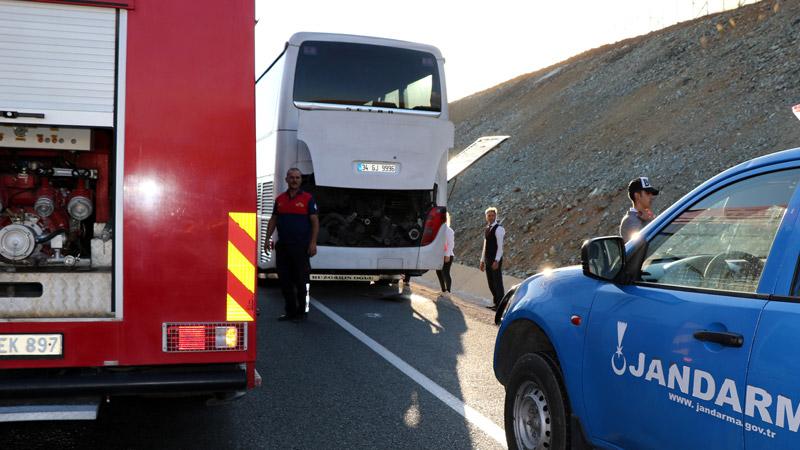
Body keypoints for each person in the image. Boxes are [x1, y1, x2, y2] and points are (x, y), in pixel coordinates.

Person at [265, 168, 319, 322]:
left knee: (303, 282)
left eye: (298, 177)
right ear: (286, 179)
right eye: (292, 177)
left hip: (301, 247)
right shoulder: (280, 199)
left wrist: (313, 243)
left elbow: (315, 222)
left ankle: (304, 311)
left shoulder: (308, 199)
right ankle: (290, 312)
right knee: (285, 281)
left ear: (301, 180)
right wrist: (267, 239)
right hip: (283, 247)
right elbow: (273, 220)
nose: (295, 180)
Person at [479, 207, 505, 310]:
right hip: (487, 259)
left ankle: (501, 305)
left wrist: (497, 260)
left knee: (497, 282)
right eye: (489, 215)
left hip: (495, 260)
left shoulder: (499, 229)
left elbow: (500, 247)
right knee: (491, 282)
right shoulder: (487, 228)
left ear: (495, 216)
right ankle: (496, 303)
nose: (491, 217)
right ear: (486, 217)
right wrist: (482, 260)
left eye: (492, 215)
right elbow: (485, 246)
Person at [620, 176, 659, 242]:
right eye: (647, 193)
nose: (651, 197)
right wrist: (649, 221)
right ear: (637, 196)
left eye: (651, 194)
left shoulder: (645, 216)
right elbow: (642, 245)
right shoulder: (629, 221)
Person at [436, 214, 455, 298]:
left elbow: (451, 244)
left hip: (448, 255)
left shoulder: (449, 231)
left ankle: (448, 291)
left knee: (446, 272)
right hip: (439, 255)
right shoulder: (439, 230)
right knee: (438, 272)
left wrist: (447, 255)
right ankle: (443, 290)